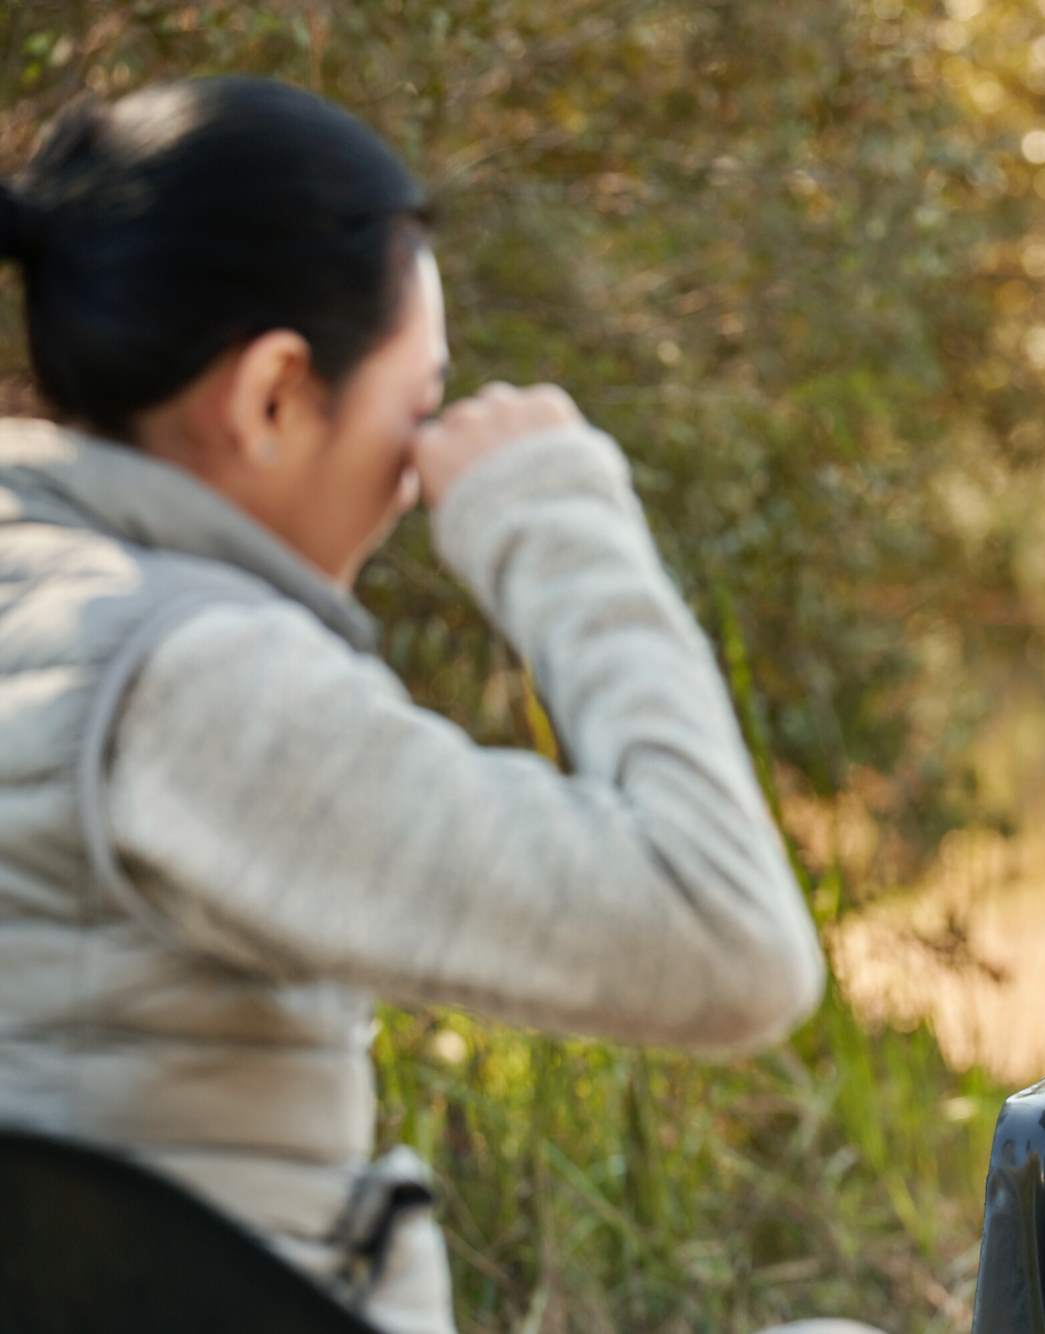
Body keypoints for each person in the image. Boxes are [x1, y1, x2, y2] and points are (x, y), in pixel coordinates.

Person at [0, 77, 844, 1334]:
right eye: (419, 406)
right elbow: (734, 945)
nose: (416, 475)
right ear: (274, 395)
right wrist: (555, 519)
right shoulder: (191, 680)